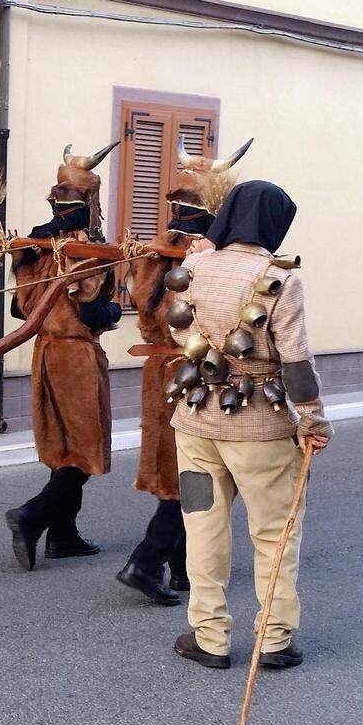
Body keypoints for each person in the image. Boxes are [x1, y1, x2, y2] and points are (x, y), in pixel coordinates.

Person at [166, 180, 330, 670]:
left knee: (201, 527)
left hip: (193, 425)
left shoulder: (192, 266)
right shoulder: (281, 277)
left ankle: (209, 636)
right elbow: (296, 363)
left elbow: (178, 328)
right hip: (263, 432)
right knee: (276, 532)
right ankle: (274, 638)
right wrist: (315, 420)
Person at [118, 138, 252, 606]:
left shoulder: (155, 251)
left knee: (183, 466)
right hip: (192, 371)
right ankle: (147, 560)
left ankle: (181, 568)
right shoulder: (198, 257)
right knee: (197, 472)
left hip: (160, 368)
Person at [4, 142, 121, 571]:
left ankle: (63, 536)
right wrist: (113, 312)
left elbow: (20, 308)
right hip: (75, 357)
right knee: (83, 451)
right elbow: (92, 311)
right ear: (90, 201)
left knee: (64, 446)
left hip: (44, 353)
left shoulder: (33, 244)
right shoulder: (87, 247)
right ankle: (32, 515)